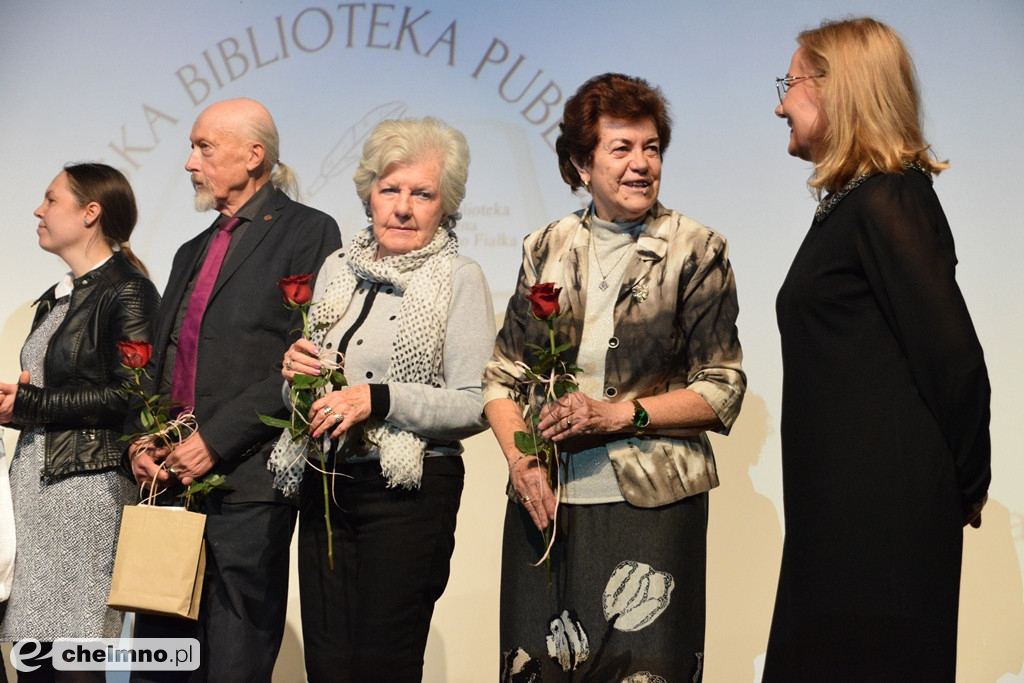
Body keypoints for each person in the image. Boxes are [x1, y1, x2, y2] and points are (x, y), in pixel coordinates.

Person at [483, 73, 746, 682]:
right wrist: (522, 463)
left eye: (651, 148)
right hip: (546, 504)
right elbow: (501, 378)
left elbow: (721, 388)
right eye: (621, 148)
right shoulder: (545, 247)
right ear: (582, 163)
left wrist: (616, 416)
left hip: (652, 509)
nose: (641, 164)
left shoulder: (696, 249)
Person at [764, 18, 991, 681]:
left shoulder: (891, 197)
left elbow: (955, 359)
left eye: (788, 84)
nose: (779, 105)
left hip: (881, 525)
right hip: (840, 519)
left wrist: (966, 485)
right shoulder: (853, 203)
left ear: (835, 88)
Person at [274, 116, 495, 682]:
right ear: (368, 194)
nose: (402, 207)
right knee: (327, 666)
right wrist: (294, 375)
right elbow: (311, 389)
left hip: (408, 490)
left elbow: (475, 403)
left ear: (446, 206)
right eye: (389, 189)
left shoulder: (460, 276)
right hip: (326, 479)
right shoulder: (336, 268)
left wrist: (378, 398)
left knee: (382, 666)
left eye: (422, 194)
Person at [128, 98, 341, 682]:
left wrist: (215, 441)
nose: (190, 163)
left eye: (204, 148)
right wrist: (141, 442)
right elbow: (164, 361)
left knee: (233, 661)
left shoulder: (309, 231)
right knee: (160, 664)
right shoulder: (189, 251)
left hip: (248, 483)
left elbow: (303, 360)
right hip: (169, 483)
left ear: (253, 155)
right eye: (192, 148)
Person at [0, 163, 160, 680]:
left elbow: (131, 392)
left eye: (51, 200)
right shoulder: (58, 296)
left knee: (75, 656)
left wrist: (28, 404)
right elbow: (55, 396)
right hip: (36, 490)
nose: (38, 210)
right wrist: (17, 405)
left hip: (86, 489)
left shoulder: (127, 290)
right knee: (33, 659)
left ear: (91, 212)